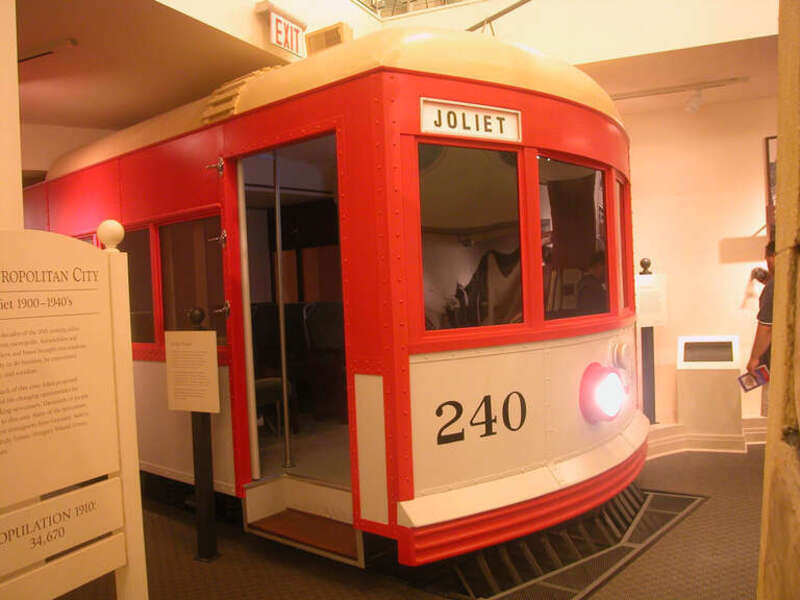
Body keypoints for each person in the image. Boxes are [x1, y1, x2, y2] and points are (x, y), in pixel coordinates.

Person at [746, 241, 775, 417]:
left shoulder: (774, 286)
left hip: (774, 362)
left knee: (771, 414)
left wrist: (755, 358)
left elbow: (766, 326)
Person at [576, 251, 608, 315]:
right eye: (606, 267)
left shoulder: (587, 283)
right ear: (599, 265)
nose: (607, 271)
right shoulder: (590, 288)